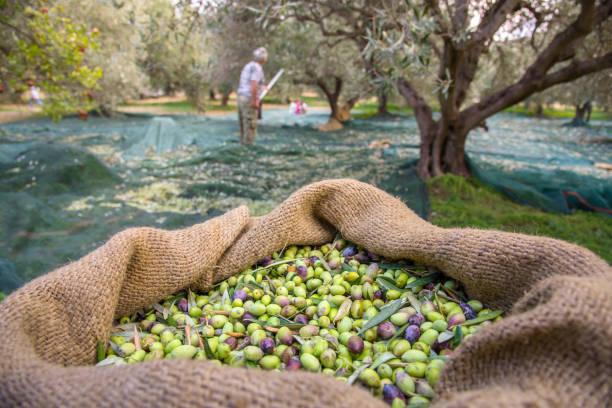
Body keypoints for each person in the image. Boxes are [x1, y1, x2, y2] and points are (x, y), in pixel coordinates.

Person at [237, 47, 268, 145]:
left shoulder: (249, 66)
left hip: (241, 97)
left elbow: (252, 83)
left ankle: (243, 145)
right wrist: (255, 101)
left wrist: (262, 88)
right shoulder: (257, 68)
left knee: (243, 125)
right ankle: (247, 148)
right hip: (248, 99)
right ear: (264, 59)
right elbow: (253, 84)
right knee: (250, 125)